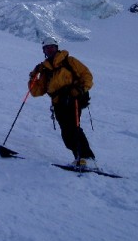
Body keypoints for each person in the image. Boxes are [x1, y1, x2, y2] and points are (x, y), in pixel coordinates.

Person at [28, 37, 95, 166]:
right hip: (59, 103)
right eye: (47, 48)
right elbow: (36, 92)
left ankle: (85, 157)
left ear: (56, 48)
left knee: (72, 128)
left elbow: (87, 76)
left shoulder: (69, 61)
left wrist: (80, 89)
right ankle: (82, 158)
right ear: (44, 51)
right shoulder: (45, 70)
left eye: (51, 47)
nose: (49, 50)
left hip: (74, 99)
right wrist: (33, 76)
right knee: (67, 132)